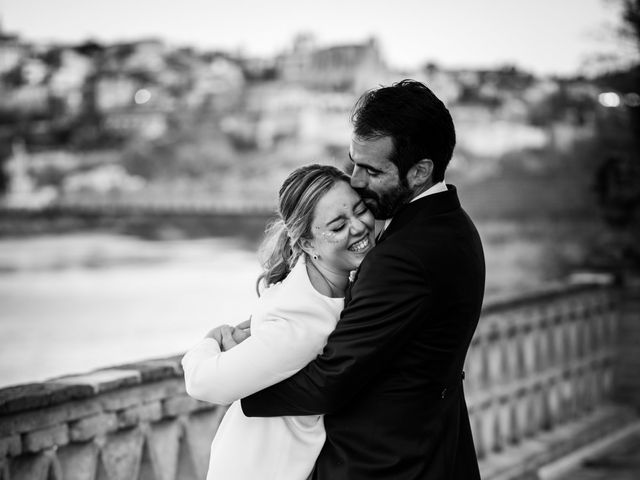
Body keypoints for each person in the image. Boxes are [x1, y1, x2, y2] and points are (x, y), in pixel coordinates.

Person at [241, 79, 485, 479]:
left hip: (383, 464)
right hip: (430, 448)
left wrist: (238, 381)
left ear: (420, 171)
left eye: (372, 170)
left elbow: (331, 382)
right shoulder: (453, 225)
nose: (355, 179)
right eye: (353, 161)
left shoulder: (403, 255)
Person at [181, 164, 376, 479]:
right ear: (309, 244)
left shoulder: (318, 284)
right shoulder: (299, 323)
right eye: (338, 225)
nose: (359, 227)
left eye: (361, 210)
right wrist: (211, 341)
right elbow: (203, 382)